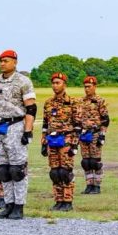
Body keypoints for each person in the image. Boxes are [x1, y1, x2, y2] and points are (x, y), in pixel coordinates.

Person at [0, 49, 37, 220]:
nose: (2, 64)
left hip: (15, 125)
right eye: (1, 61)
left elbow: (31, 108)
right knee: (3, 169)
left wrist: (27, 131)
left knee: (17, 169)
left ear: (15, 62)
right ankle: (8, 204)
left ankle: (19, 206)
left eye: (6, 61)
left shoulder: (23, 81)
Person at [42, 73, 81, 211]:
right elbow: (45, 124)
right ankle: (58, 200)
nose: (55, 86)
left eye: (58, 83)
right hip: (52, 141)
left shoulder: (73, 102)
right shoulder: (48, 103)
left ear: (64, 84)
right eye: (53, 83)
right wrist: (43, 142)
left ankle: (67, 201)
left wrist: (74, 145)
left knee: (65, 171)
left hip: (66, 140)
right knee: (55, 172)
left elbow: (78, 126)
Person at [78, 76, 110, 194]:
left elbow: (105, 120)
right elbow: (77, 118)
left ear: (95, 87)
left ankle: (97, 185)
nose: (87, 89)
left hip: (95, 134)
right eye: (85, 87)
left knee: (95, 162)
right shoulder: (80, 101)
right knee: (86, 162)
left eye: (89, 86)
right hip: (84, 134)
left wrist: (102, 135)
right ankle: (89, 184)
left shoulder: (100, 101)